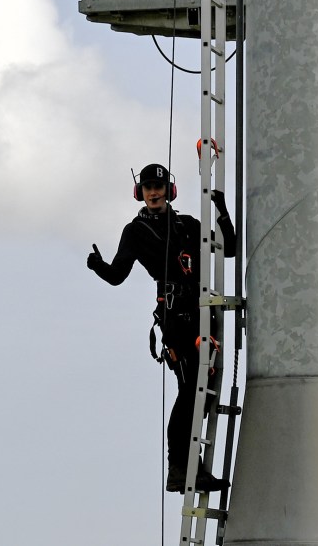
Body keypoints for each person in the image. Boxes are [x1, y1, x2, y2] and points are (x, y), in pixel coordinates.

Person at [87, 163, 235, 494]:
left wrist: (221, 208)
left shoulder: (188, 224)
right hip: (174, 317)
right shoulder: (135, 231)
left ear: (170, 190)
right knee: (190, 389)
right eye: (148, 187)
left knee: (202, 390)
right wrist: (98, 266)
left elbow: (231, 249)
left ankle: (190, 467)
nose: (153, 192)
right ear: (139, 192)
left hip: (201, 312)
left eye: (159, 186)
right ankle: (179, 469)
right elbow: (117, 276)